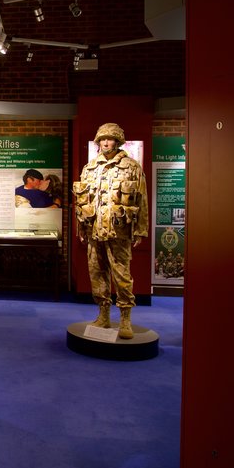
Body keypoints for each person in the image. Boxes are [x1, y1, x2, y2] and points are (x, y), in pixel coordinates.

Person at [72, 123, 148, 339]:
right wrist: (81, 227)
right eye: (102, 139)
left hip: (119, 231)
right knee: (97, 273)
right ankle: (103, 314)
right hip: (94, 229)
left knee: (122, 274)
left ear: (118, 141)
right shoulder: (90, 168)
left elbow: (141, 200)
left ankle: (125, 317)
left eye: (110, 139)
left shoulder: (132, 167)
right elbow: (82, 201)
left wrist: (140, 230)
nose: (106, 142)